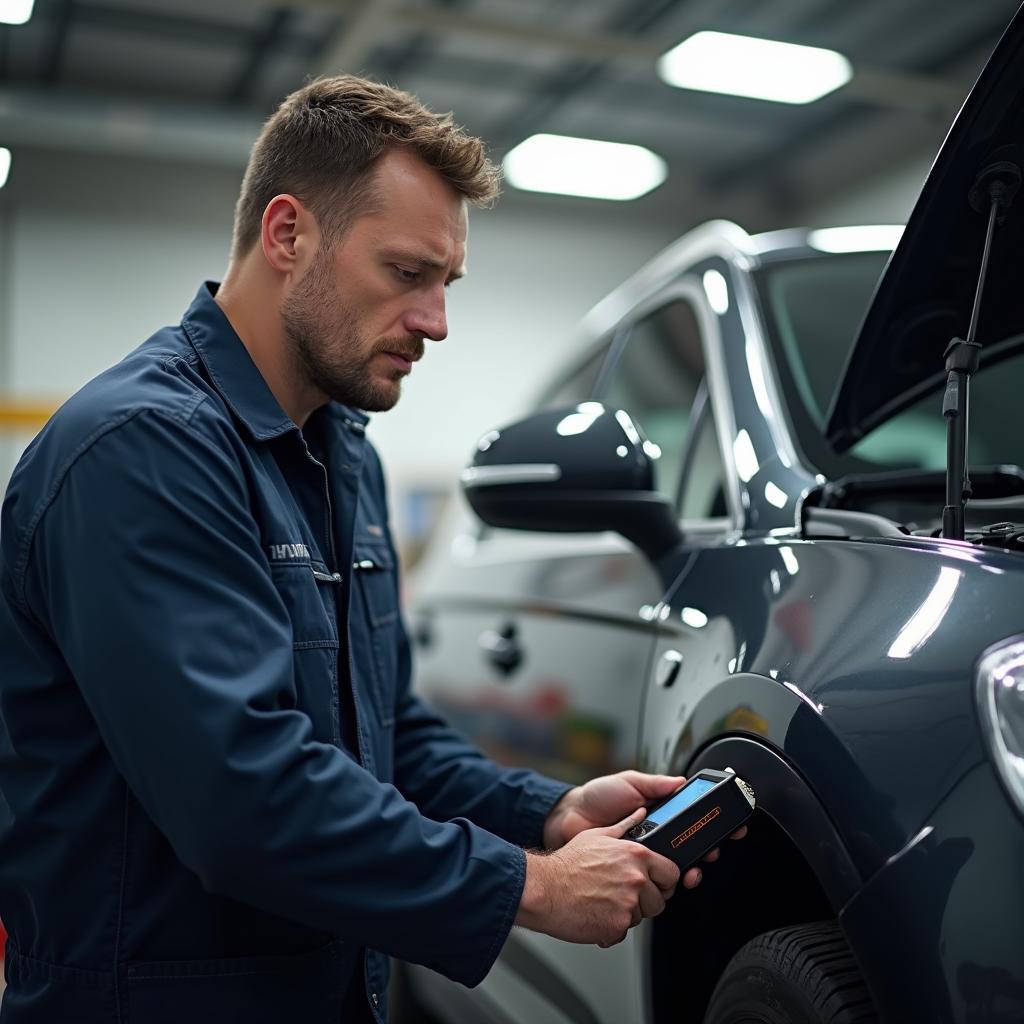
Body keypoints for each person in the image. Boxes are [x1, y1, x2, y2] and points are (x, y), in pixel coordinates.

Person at [0, 75, 744, 1022]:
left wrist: (545, 814)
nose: (436, 321)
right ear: (287, 234)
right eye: (406, 273)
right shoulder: (143, 452)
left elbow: (382, 740)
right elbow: (242, 799)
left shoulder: (343, 455)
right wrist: (534, 887)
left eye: (447, 283)